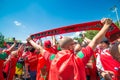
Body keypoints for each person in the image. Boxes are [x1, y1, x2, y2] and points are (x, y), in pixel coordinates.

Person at [48, 18, 113, 80]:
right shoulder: (78, 58)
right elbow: (95, 41)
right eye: (73, 43)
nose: (75, 45)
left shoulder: (52, 58)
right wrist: (106, 25)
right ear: (70, 47)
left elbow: (41, 50)